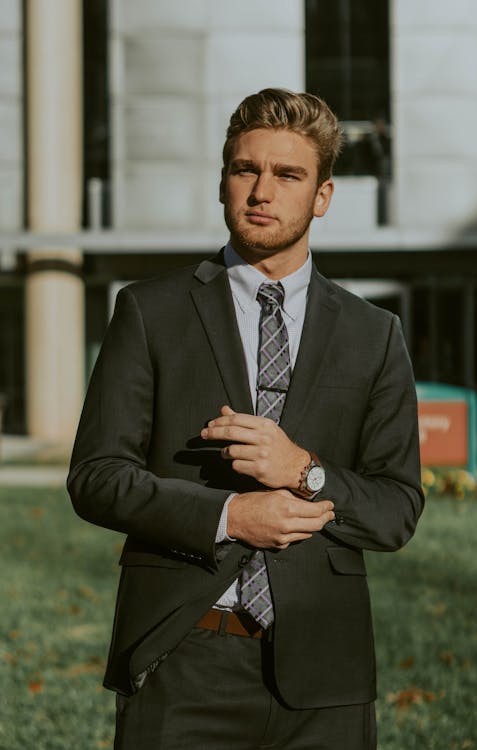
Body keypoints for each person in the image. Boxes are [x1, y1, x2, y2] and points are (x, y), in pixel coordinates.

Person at [68, 88, 424, 750]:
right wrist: (230, 518)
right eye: (244, 170)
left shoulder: (374, 335)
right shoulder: (150, 312)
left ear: (322, 196)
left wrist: (305, 471)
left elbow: (397, 508)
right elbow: (96, 476)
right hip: (183, 657)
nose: (261, 190)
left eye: (288, 174)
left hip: (326, 673)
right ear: (223, 182)